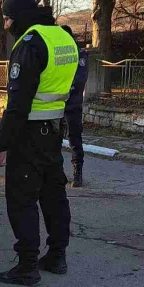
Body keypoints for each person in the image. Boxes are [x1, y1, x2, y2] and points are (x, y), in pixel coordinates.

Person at [0, 0, 79, 286]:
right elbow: (73, 90)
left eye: (6, 20)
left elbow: (18, 105)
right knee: (54, 195)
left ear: (16, 17)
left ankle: (28, 265)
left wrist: (3, 144)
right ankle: (57, 255)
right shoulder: (64, 38)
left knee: (21, 198)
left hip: (28, 135)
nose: (5, 27)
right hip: (54, 131)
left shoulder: (29, 44)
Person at [61, 25, 89, 188]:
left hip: (72, 103)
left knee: (74, 139)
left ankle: (77, 173)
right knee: (53, 140)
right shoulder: (59, 54)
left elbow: (80, 79)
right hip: (56, 104)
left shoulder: (80, 54)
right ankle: (57, 173)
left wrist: (63, 86)